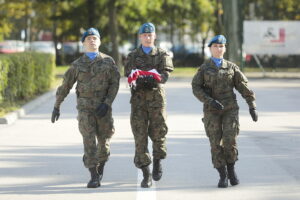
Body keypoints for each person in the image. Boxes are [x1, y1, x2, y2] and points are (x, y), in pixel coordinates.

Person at [51, 27, 120, 188]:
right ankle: (93, 175)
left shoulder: (108, 62)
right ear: (83, 43)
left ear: (100, 41)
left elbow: (114, 84)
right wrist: (56, 106)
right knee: (89, 142)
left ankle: (101, 165)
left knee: (104, 143)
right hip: (85, 110)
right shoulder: (77, 65)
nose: (92, 40)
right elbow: (65, 86)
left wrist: (107, 103)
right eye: (88, 39)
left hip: (103, 108)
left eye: (95, 38)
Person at [191, 35, 258, 188]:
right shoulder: (204, 68)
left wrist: (252, 105)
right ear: (210, 49)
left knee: (230, 140)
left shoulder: (232, 68)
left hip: (230, 109)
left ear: (225, 48)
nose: (219, 49)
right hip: (211, 110)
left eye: (221, 46)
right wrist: (209, 100)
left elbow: (243, 86)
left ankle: (231, 170)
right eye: (215, 46)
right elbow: (196, 87)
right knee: (215, 143)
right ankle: (222, 175)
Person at [124, 22, 174, 188]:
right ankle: (146, 173)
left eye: (150, 35)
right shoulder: (132, 56)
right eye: (144, 35)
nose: (147, 37)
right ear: (140, 37)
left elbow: (165, 75)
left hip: (156, 101)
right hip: (138, 102)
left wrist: (153, 79)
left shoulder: (162, 54)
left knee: (159, 134)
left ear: (154, 36)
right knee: (140, 136)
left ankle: (158, 161)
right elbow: (129, 75)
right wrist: (140, 80)